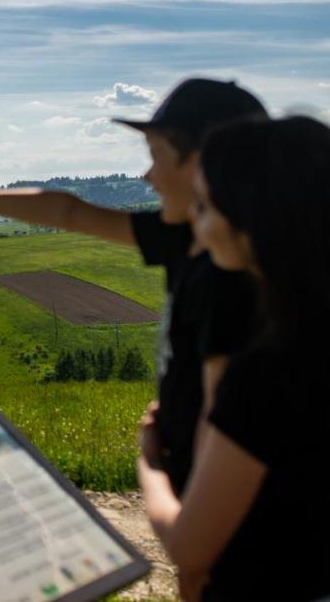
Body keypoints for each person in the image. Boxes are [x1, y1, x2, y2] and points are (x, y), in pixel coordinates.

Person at [0, 78, 266, 495]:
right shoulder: (188, 237)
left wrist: (151, 467)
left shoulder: (234, 281)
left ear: (208, 164)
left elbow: (229, 418)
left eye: (157, 157)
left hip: (216, 504)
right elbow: (67, 210)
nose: (147, 176)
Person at [137, 115, 330, 600]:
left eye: (203, 207)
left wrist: (151, 464)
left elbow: (188, 548)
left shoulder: (268, 371)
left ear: (249, 222)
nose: (195, 231)